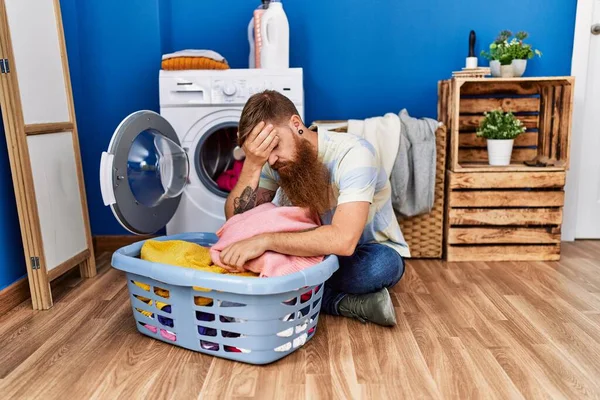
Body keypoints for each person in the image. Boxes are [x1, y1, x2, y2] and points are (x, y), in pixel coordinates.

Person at [220, 90, 409, 326]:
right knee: (250, 253)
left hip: (360, 252)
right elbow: (236, 222)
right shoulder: (273, 163)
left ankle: (297, 297)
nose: (272, 160)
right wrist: (252, 165)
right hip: (308, 254)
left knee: (380, 266)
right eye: (263, 153)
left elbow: (344, 241)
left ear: (297, 125)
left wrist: (265, 241)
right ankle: (341, 302)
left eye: (275, 145)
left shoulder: (354, 154)